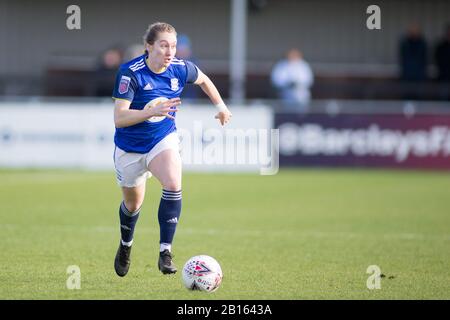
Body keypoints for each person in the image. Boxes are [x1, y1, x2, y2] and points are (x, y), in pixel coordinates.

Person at [111, 22, 232, 277]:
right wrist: (150, 111)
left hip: (161, 140)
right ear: (149, 46)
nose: (170, 51)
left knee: (173, 183)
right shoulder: (130, 72)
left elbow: (204, 79)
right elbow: (119, 118)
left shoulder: (180, 68)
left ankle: (165, 252)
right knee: (132, 205)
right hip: (129, 149)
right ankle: (125, 245)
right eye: (164, 45)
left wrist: (220, 106)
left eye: (173, 46)